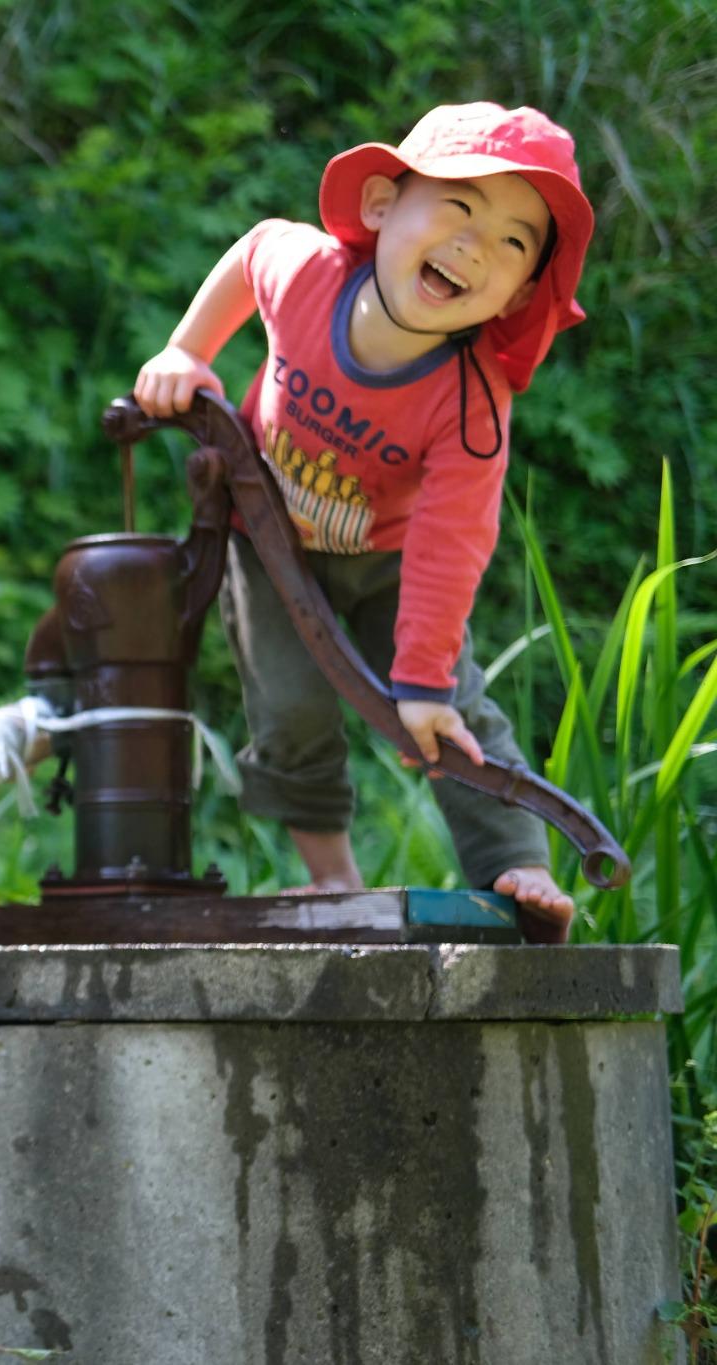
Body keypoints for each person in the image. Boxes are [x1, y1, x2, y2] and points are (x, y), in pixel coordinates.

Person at [131, 102, 594, 940]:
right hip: (269, 541)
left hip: (389, 559)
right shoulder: (307, 275)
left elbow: (452, 543)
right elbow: (250, 253)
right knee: (290, 709)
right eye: (458, 208)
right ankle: (330, 874)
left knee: (450, 706)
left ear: (519, 293)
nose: (474, 247)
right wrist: (187, 352)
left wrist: (418, 677)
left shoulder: (469, 403)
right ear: (381, 205)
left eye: (512, 242)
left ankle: (515, 858)